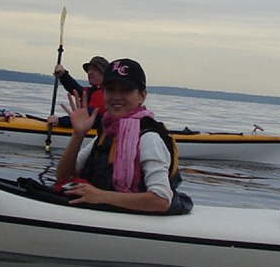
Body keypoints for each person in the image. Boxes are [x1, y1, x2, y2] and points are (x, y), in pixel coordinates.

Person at [55, 58, 192, 215]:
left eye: (125, 90)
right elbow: (63, 176)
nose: (116, 97)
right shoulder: (107, 132)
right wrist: (78, 135)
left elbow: (161, 200)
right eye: (110, 89)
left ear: (142, 96)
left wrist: (101, 196)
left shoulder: (149, 138)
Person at [47, 55, 108, 128]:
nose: (90, 73)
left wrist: (59, 121)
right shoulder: (92, 91)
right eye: (89, 70)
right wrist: (63, 75)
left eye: (95, 70)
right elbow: (76, 89)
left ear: (104, 74)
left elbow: (86, 117)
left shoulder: (104, 95)